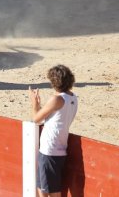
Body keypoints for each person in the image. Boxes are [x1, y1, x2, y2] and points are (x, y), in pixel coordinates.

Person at [28, 65, 78, 197]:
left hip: (49, 151)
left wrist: (35, 104)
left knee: (44, 192)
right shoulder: (73, 98)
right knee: (53, 191)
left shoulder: (56, 100)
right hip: (60, 149)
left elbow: (36, 119)